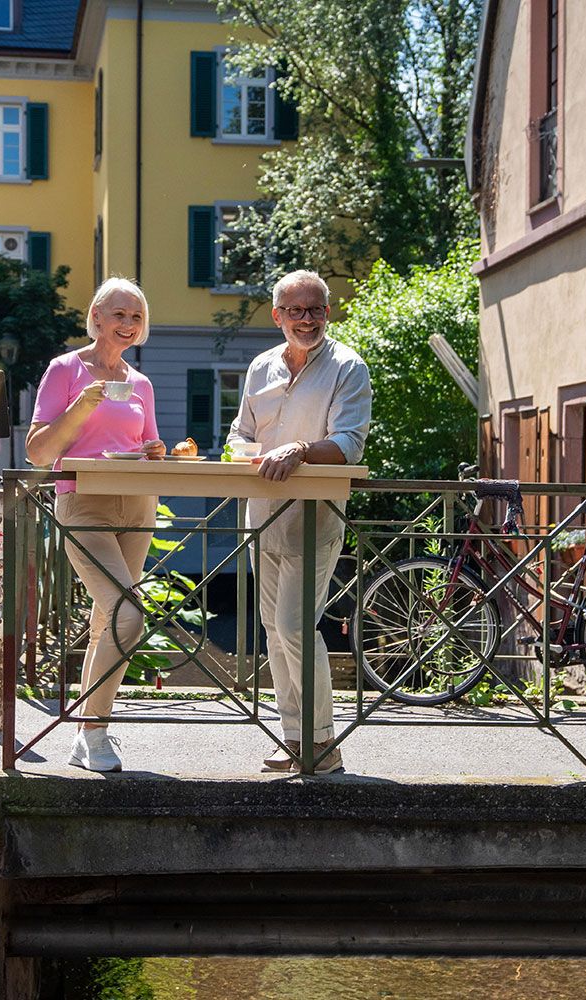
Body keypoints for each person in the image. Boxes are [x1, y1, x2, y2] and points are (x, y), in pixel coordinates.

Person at [227, 270, 371, 774]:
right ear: (278, 316)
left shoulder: (348, 367)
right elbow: (240, 432)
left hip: (315, 516)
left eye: (315, 309)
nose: (305, 319)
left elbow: (350, 443)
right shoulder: (260, 366)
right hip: (261, 513)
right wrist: (236, 453)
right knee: (273, 629)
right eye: (295, 310)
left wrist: (301, 449)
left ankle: (323, 743)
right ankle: (295, 739)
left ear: (327, 313)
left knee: (294, 627)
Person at [26, 277, 165, 772]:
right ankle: (97, 731)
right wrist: (81, 405)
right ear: (97, 317)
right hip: (82, 503)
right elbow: (39, 452)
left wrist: (155, 452)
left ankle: (87, 736)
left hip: (137, 505)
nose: (128, 325)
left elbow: (148, 445)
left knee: (108, 619)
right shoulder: (64, 369)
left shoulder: (140, 383)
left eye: (136, 317)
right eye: (119, 314)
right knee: (130, 614)